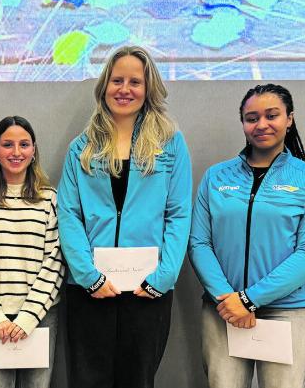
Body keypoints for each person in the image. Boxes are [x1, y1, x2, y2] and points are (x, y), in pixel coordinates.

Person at [57, 45, 192, 388]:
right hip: (90, 289)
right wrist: (88, 276)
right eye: (117, 80)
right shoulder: (82, 147)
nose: (125, 89)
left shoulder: (170, 144)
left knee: (138, 380)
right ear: (104, 86)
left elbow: (178, 214)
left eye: (135, 81)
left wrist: (164, 276)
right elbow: (69, 215)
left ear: (148, 89)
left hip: (148, 289)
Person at [189, 84, 305, 388]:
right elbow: (199, 243)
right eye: (252, 117)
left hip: (287, 311)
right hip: (223, 309)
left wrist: (249, 299)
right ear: (242, 123)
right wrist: (228, 298)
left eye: (272, 115)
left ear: (289, 118)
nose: (261, 124)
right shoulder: (217, 177)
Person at [0, 116, 65, 388]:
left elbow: (55, 261)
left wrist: (29, 316)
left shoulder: (50, 199)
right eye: (8, 144)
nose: (16, 152)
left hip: (40, 317)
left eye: (24, 144)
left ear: (33, 150)